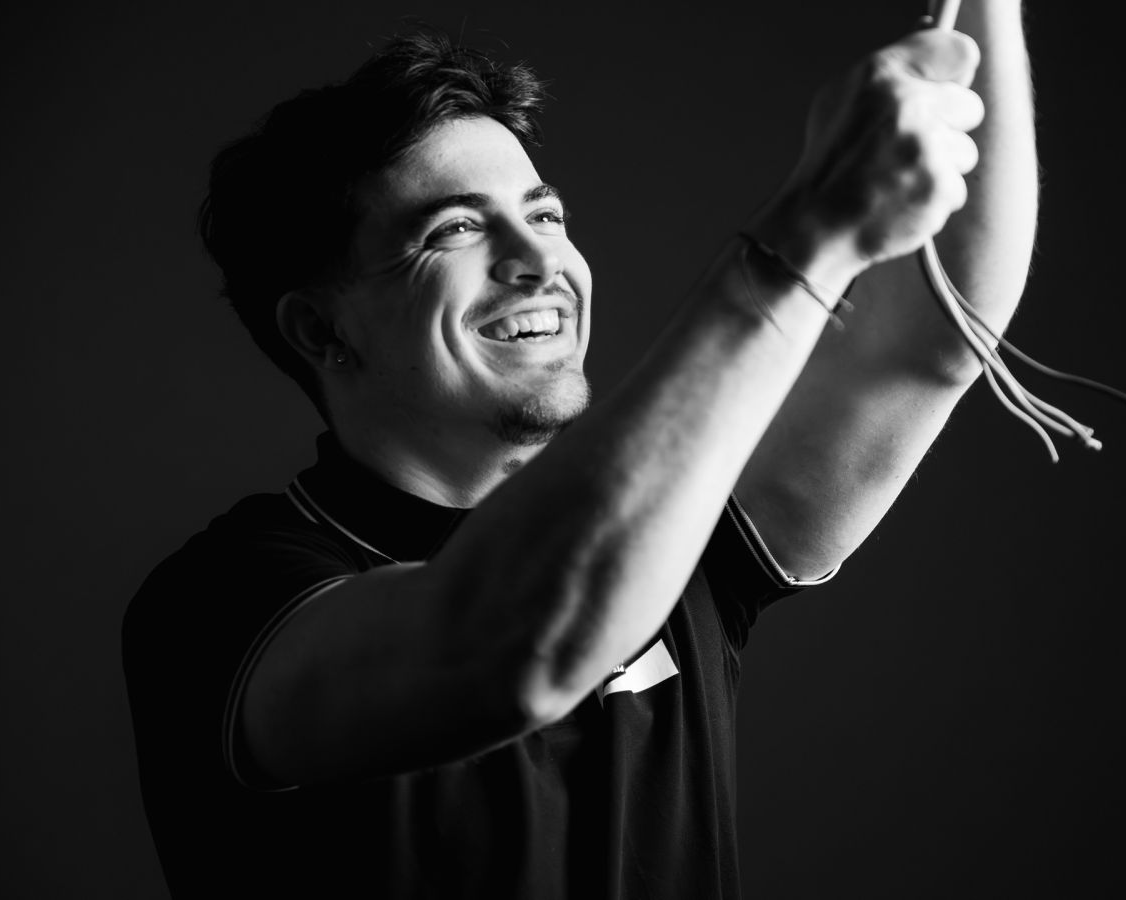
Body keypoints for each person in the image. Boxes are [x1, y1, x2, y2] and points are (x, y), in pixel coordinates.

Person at [122, 2, 1036, 896]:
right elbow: (522, 645)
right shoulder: (219, 602)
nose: (537, 260)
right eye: (455, 229)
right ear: (321, 330)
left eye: (546, 215)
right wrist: (807, 236)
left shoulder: (670, 518)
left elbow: (930, 339)